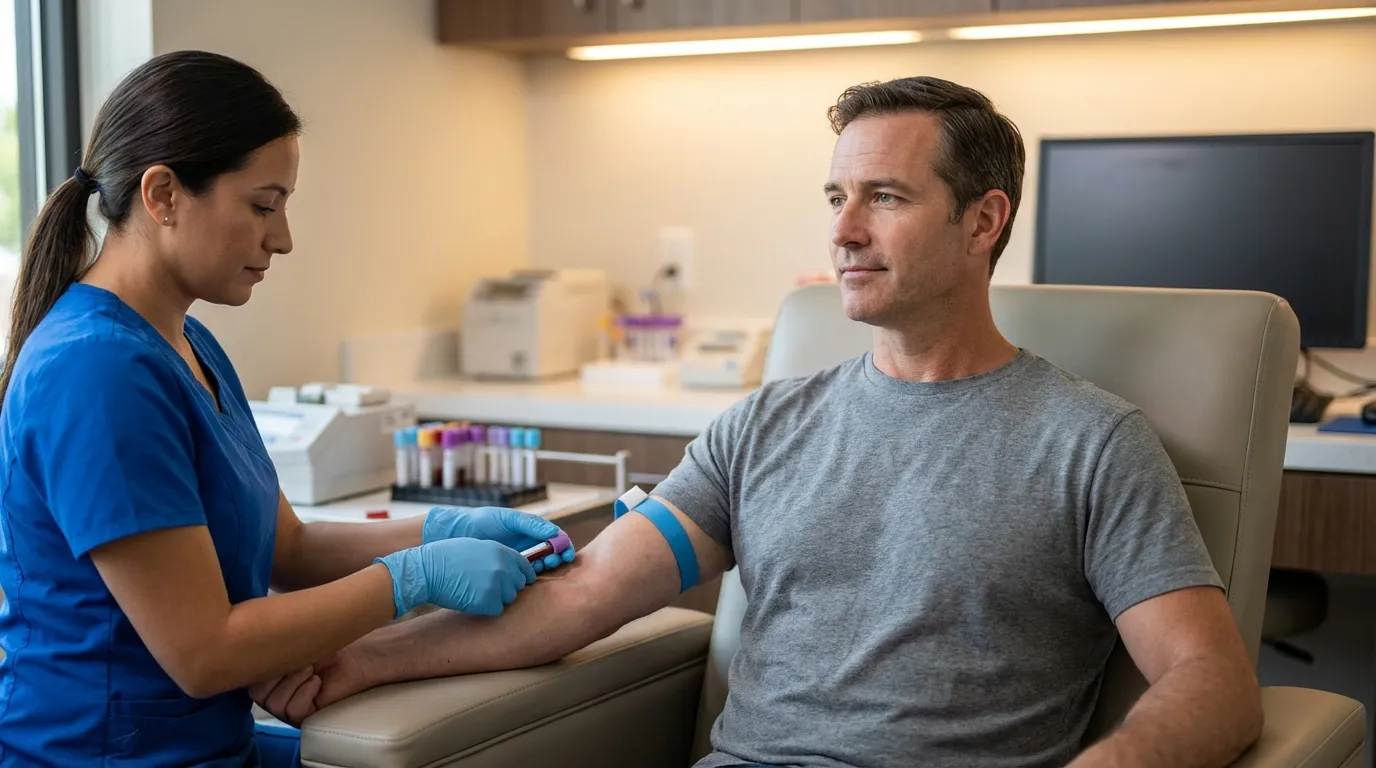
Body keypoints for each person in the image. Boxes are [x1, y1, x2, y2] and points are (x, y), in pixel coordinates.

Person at [258, 76, 1264, 768]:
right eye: (835, 196)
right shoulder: (764, 428)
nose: (841, 231)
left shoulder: (1087, 443)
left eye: (883, 197)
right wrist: (361, 658)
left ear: (981, 220)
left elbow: (1210, 679)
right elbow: (581, 599)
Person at [0, 50, 573, 768]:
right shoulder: (95, 371)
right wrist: (412, 578)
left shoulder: (185, 341)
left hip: (208, 746)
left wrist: (441, 526)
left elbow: (288, 551)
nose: (284, 237)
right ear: (163, 194)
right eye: (263, 205)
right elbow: (204, 652)